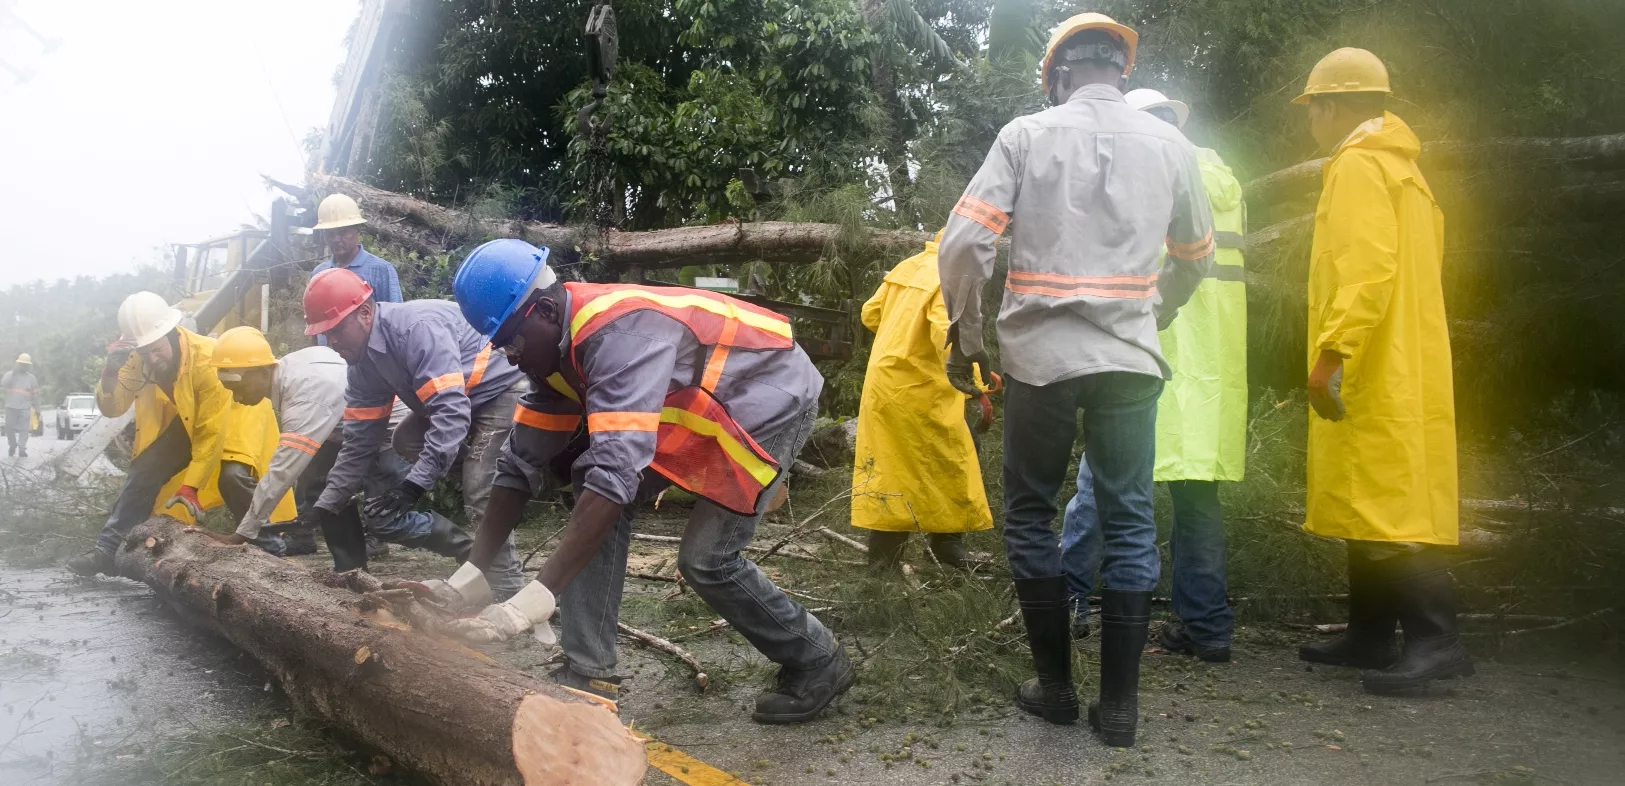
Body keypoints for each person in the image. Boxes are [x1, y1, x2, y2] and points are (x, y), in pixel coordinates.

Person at [937, 13, 1214, 747]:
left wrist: (966, 333)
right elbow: (1195, 254)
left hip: (1039, 361)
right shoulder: (1172, 145)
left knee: (1031, 512)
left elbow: (965, 241)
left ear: (1059, 75)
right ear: (1119, 71)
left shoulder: (1025, 135)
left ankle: (1055, 688)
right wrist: (1156, 313)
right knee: (1128, 518)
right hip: (1128, 362)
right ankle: (1119, 708)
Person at [437, 238, 850, 725]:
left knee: (707, 560)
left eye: (512, 341)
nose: (508, 356)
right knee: (595, 496)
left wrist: (535, 599)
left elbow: (614, 473)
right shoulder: (555, 355)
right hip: (706, 408)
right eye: (499, 345)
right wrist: (467, 577)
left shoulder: (617, 335)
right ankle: (589, 674)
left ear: (544, 311)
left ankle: (817, 658)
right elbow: (517, 466)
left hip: (769, 402)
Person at [1291, 48, 1473, 694]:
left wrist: (1333, 350)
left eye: (1311, 107)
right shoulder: (1407, 173)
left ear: (1331, 106)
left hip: (1371, 358)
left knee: (1386, 503)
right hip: (1402, 359)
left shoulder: (1357, 167)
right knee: (1372, 498)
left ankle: (1434, 640)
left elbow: (1365, 269)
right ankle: (1369, 635)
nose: (1309, 119)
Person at [1060, 88, 1248, 663]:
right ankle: (1207, 626)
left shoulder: (1147, 172)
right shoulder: (1225, 186)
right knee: (1197, 500)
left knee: (1100, 482)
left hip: (1148, 355)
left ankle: (1064, 603)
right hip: (1211, 374)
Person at [191, 327, 520, 588]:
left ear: (260, 371)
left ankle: (469, 551)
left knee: (384, 519)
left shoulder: (305, 393)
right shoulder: (296, 364)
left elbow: (282, 471)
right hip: (350, 432)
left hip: (389, 434)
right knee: (322, 491)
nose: (235, 395)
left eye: (236, 386)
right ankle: (350, 574)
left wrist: (243, 532)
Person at [301, 268, 527, 600]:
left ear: (364, 313)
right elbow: (358, 443)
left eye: (336, 330)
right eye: (324, 334)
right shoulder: (362, 366)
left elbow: (450, 413)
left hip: (499, 389)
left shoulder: (415, 329)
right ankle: (482, 478)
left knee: (479, 491)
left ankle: (509, 593)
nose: (331, 342)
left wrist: (414, 485)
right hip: (455, 400)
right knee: (404, 440)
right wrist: (326, 505)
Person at [65, 293, 297, 576]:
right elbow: (113, 408)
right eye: (144, 350)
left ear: (171, 333)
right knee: (144, 470)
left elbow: (211, 433)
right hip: (190, 417)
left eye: (156, 349)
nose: (151, 357)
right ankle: (107, 551)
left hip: (239, 410)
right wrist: (110, 373)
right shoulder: (138, 358)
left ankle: (270, 549)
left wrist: (191, 485)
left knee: (233, 477)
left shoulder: (206, 358)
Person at [850, 232, 992, 570]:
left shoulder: (909, 267)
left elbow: (870, 314)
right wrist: (977, 380)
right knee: (954, 458)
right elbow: (947, 337)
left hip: (885, 385)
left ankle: (882, 564)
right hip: (920, 389)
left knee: (889, 469)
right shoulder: (951, 277)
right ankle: (947, 548)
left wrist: (901, 335)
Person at [3, 353, 40, 458]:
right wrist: (13, 373)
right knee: (9, 428)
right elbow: (4, 385)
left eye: (26, 365)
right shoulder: (9, 375)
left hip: (25, 407)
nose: (24, 366)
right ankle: (13, 445)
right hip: (11, 407)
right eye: (22, 364)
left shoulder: (31, 378)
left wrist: (37, 408)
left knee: (24, 429)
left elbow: (35, 395)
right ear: (18, 364)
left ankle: (22, 449)